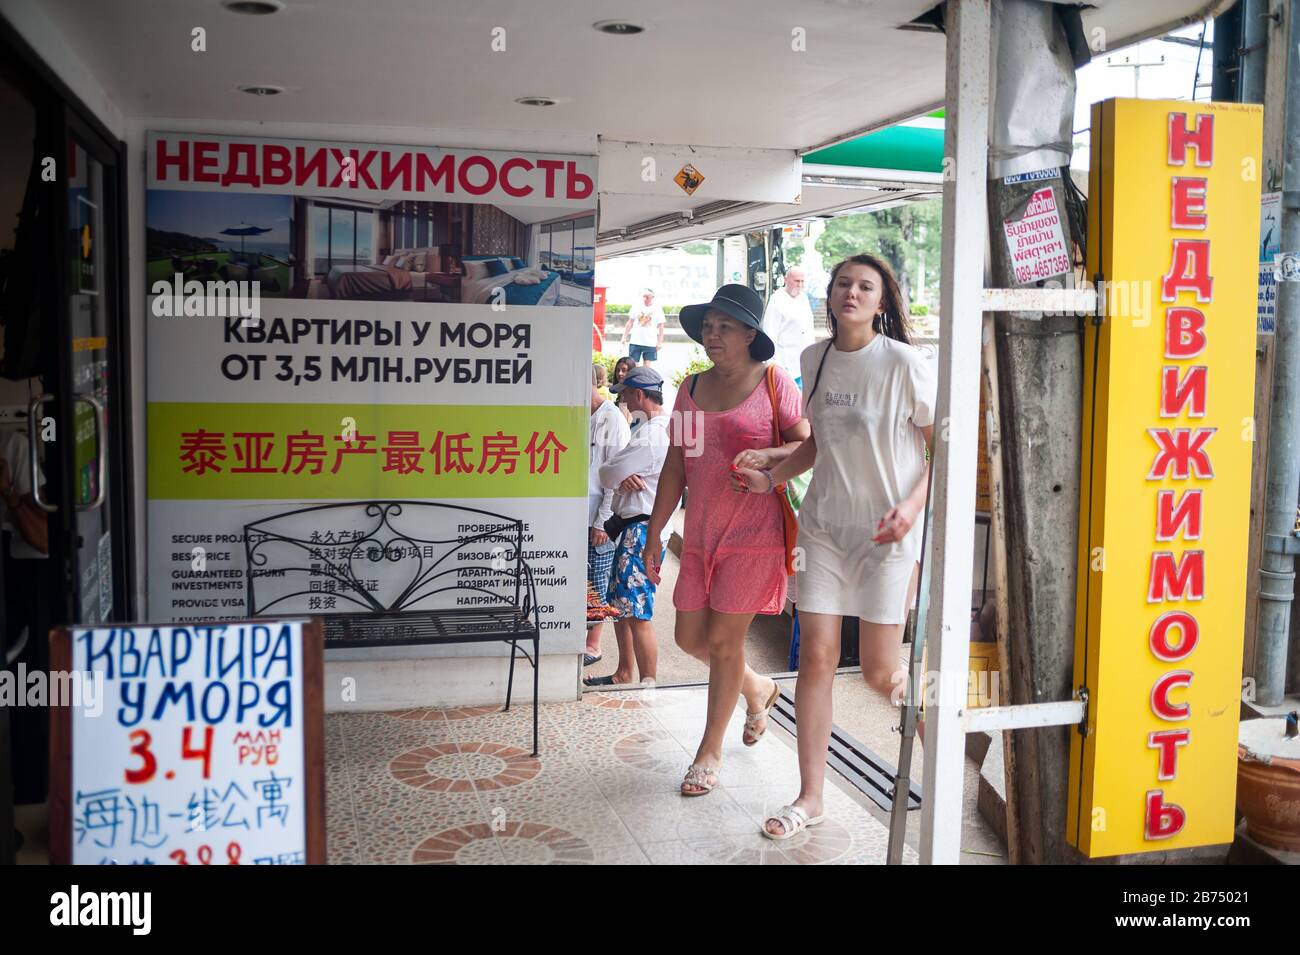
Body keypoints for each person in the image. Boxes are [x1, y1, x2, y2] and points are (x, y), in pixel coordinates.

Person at [733, 253, 935, 840]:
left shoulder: (902, 362)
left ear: (881, 300)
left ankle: (938, 745)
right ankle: (811, 796)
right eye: (844, 283)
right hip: (824, 529)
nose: (852, 292)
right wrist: (770, 477)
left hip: (885, 536)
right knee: (816, 658)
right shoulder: (813, 359)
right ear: (830, 294)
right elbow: (817, 444)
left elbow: (938, 449)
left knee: (878, 671)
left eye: (865, 286)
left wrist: (911, 508)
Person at [643, 285, 809, 795]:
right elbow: (677, 465)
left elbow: (806, 444)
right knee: (689, 639)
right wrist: (655, 534)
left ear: (751, 334)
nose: (711, 335)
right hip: (702, 534)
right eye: (708, 326)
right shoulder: (691, 390)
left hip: (755, 534)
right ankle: (758, 687)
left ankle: (708, 751)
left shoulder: (775, 383)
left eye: (724, 327)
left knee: (721, 641)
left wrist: (769, 466)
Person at [585, 367, 675, 687]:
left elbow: (607, 474)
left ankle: (648, 685)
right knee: (622, 608)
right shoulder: (656, 428)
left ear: (639, 394)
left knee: (637, 614)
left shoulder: (652, 434)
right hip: (638, 529)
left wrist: (618, 475)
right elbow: (613, 473)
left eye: (624, 393)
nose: (621, 399)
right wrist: (620, 475)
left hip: (642, 531)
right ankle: (625, 673)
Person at [586, 366, 631, 668]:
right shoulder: (578, 415)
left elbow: (616, 476)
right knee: (582, 580)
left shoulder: (610, 418)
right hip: (576, 513)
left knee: (597, 580)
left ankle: (594, 644)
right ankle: (581, 637)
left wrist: (603, 521)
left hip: (599, 516)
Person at [762, 267, 815, 387]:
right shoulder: (777, 299)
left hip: (804, 363)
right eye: (797, 281)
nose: (800, 285)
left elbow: (808, 329)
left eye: (802, 281)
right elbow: (770, 334)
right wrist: (776, 365)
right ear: (786, 280)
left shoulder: (804, 298)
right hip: (786, 364)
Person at [622, 288, 665, 367]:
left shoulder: (658, 308)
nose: (645, 299)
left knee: (647, 366)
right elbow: (630, 322)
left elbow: (661, 327)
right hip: (636, 341)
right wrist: (624, 337)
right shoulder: (636, 306)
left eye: (647, 297)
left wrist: (659, 342)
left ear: (652, 297)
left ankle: (644, 379)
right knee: (634, 366)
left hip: (650, 342)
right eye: (644, 296)